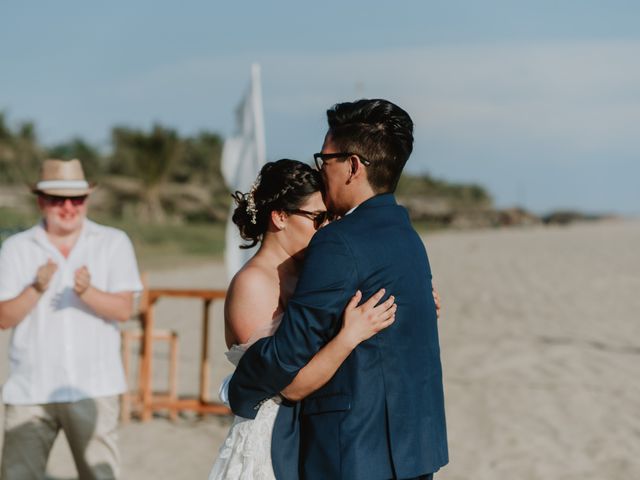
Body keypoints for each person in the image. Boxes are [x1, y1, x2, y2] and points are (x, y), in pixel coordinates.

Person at [229, 99, 448, 479]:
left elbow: (285, 358)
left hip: (356, 452)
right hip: (416, 448)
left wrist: (242, 380)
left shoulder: (338, 242)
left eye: (324, 159)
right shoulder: (409, 237)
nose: (321, 169)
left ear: (352, 166)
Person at [209, 159, 398, 479]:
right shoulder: (252, 284)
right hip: (271, 441)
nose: (328, 227)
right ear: (280, 217)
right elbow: (287, 383)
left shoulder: (312, 275)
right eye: (318, 217)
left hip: (315, 433)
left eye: (332, 217)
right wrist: (349, 336)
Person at [0, 158, 142, 479]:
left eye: (75, 199)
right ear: (41, 202)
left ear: (86, 200)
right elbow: (4, 318)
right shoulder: (16, 248)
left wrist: (88, 292)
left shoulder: (113, 242)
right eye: (56, 199)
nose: (67, 207)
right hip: (30, 390)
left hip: (95, 386)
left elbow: (125, 309)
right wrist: (35, 287)